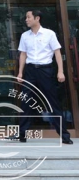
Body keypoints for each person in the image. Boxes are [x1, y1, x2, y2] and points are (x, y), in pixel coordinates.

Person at [17, 10, 73, 144]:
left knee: (52, 103)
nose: (26, 20)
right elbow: (23, 55)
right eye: (26, 17)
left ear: (37, 18)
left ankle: (64, 136)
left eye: (28, 17)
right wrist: (20, 72)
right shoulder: (25, 36)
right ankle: (22, 134)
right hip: (30, 71)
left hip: (45, 71)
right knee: (25, 102)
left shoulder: (49, 34)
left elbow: (57, 53)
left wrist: (61, 71)